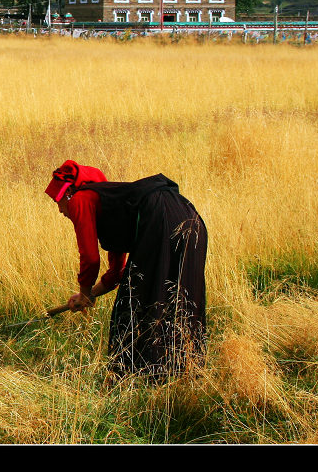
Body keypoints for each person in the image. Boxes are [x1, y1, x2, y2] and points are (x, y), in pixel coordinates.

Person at [45, 160, 208, 378]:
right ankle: (184, 368)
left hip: (160, 217)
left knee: (134, 301)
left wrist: (84, 291)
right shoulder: (114, 205)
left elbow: (91, 258)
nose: (59, 211)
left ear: (68, 194)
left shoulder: (80, 200)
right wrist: (88, 295)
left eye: (57, 202)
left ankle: (137, 375)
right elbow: (115, 275)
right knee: (178, 292)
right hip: (188, 216)